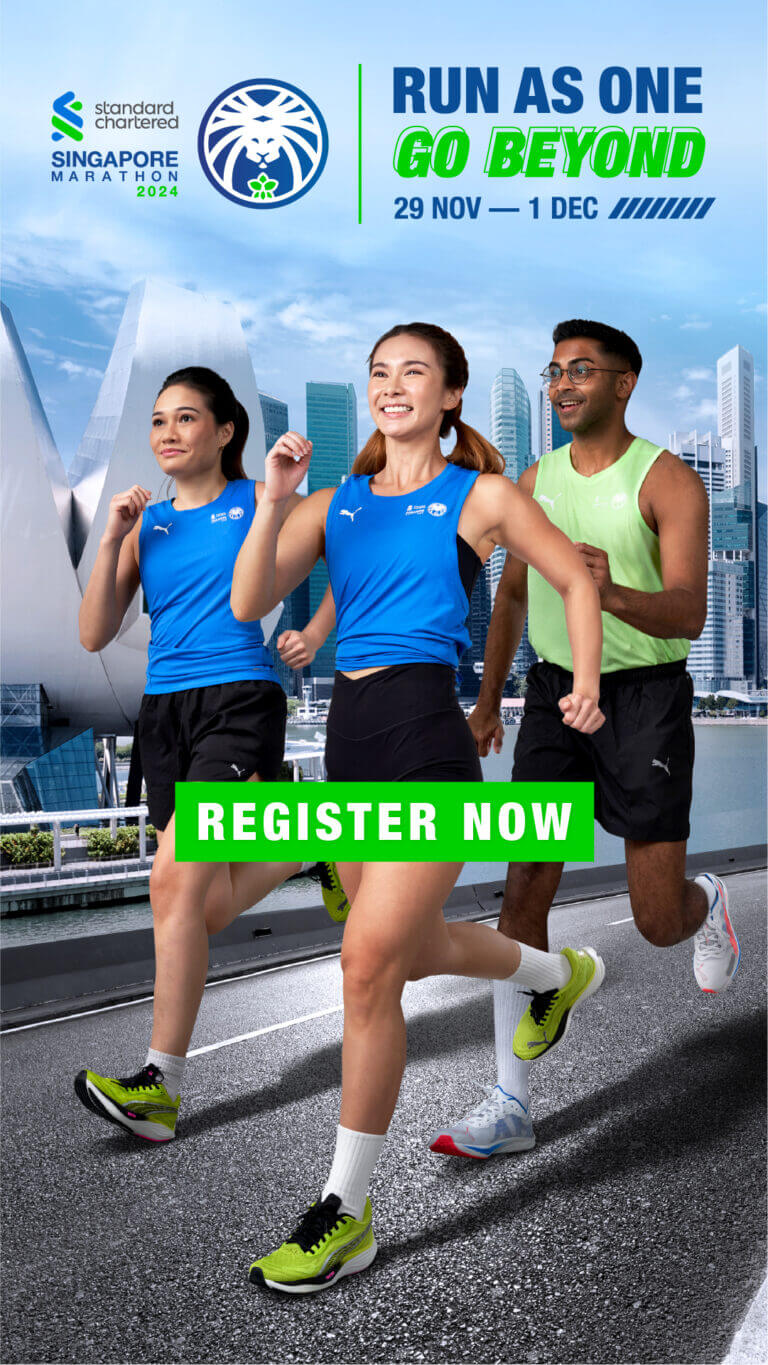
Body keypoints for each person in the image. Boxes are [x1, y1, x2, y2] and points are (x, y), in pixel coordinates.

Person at [232, 322, 607, 1293]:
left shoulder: (478, 496)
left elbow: (570, 577)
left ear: (449, 397)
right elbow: (248, 600)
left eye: (415, 374)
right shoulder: (335, 504)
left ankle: (346, 1211)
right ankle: (551, 974)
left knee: (366, 963)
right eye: (379, 374)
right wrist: (275, 498)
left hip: (426, 746)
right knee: (409, 945)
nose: (392, 387)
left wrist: (587, 684)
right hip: (347, 753)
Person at [430, 318, 740, 1163]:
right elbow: (513, 604)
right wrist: (488, 699)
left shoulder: (668, 483)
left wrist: (610, 593)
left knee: (654, 917)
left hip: (646, 700)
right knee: (523, 887)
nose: (563, 385)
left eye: (581, 371)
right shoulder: (532, 482)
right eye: (554, 371)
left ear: (623, 383)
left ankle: (708, 903)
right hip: (552, 694)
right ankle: (509, 1102)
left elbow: (690, 611)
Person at [74, 366, 346, 1142]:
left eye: (186, 418)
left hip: (237, 698)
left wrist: (317, 630)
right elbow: (93, 634)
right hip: (167, 714)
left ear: (225, 432)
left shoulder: (256, 503)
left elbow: (344, 564)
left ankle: (160, 1082)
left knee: (172, 875)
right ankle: (315, 834)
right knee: (192, 900)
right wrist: (113, 540)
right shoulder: (151, 525)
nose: (167, 432)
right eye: (159, 420)